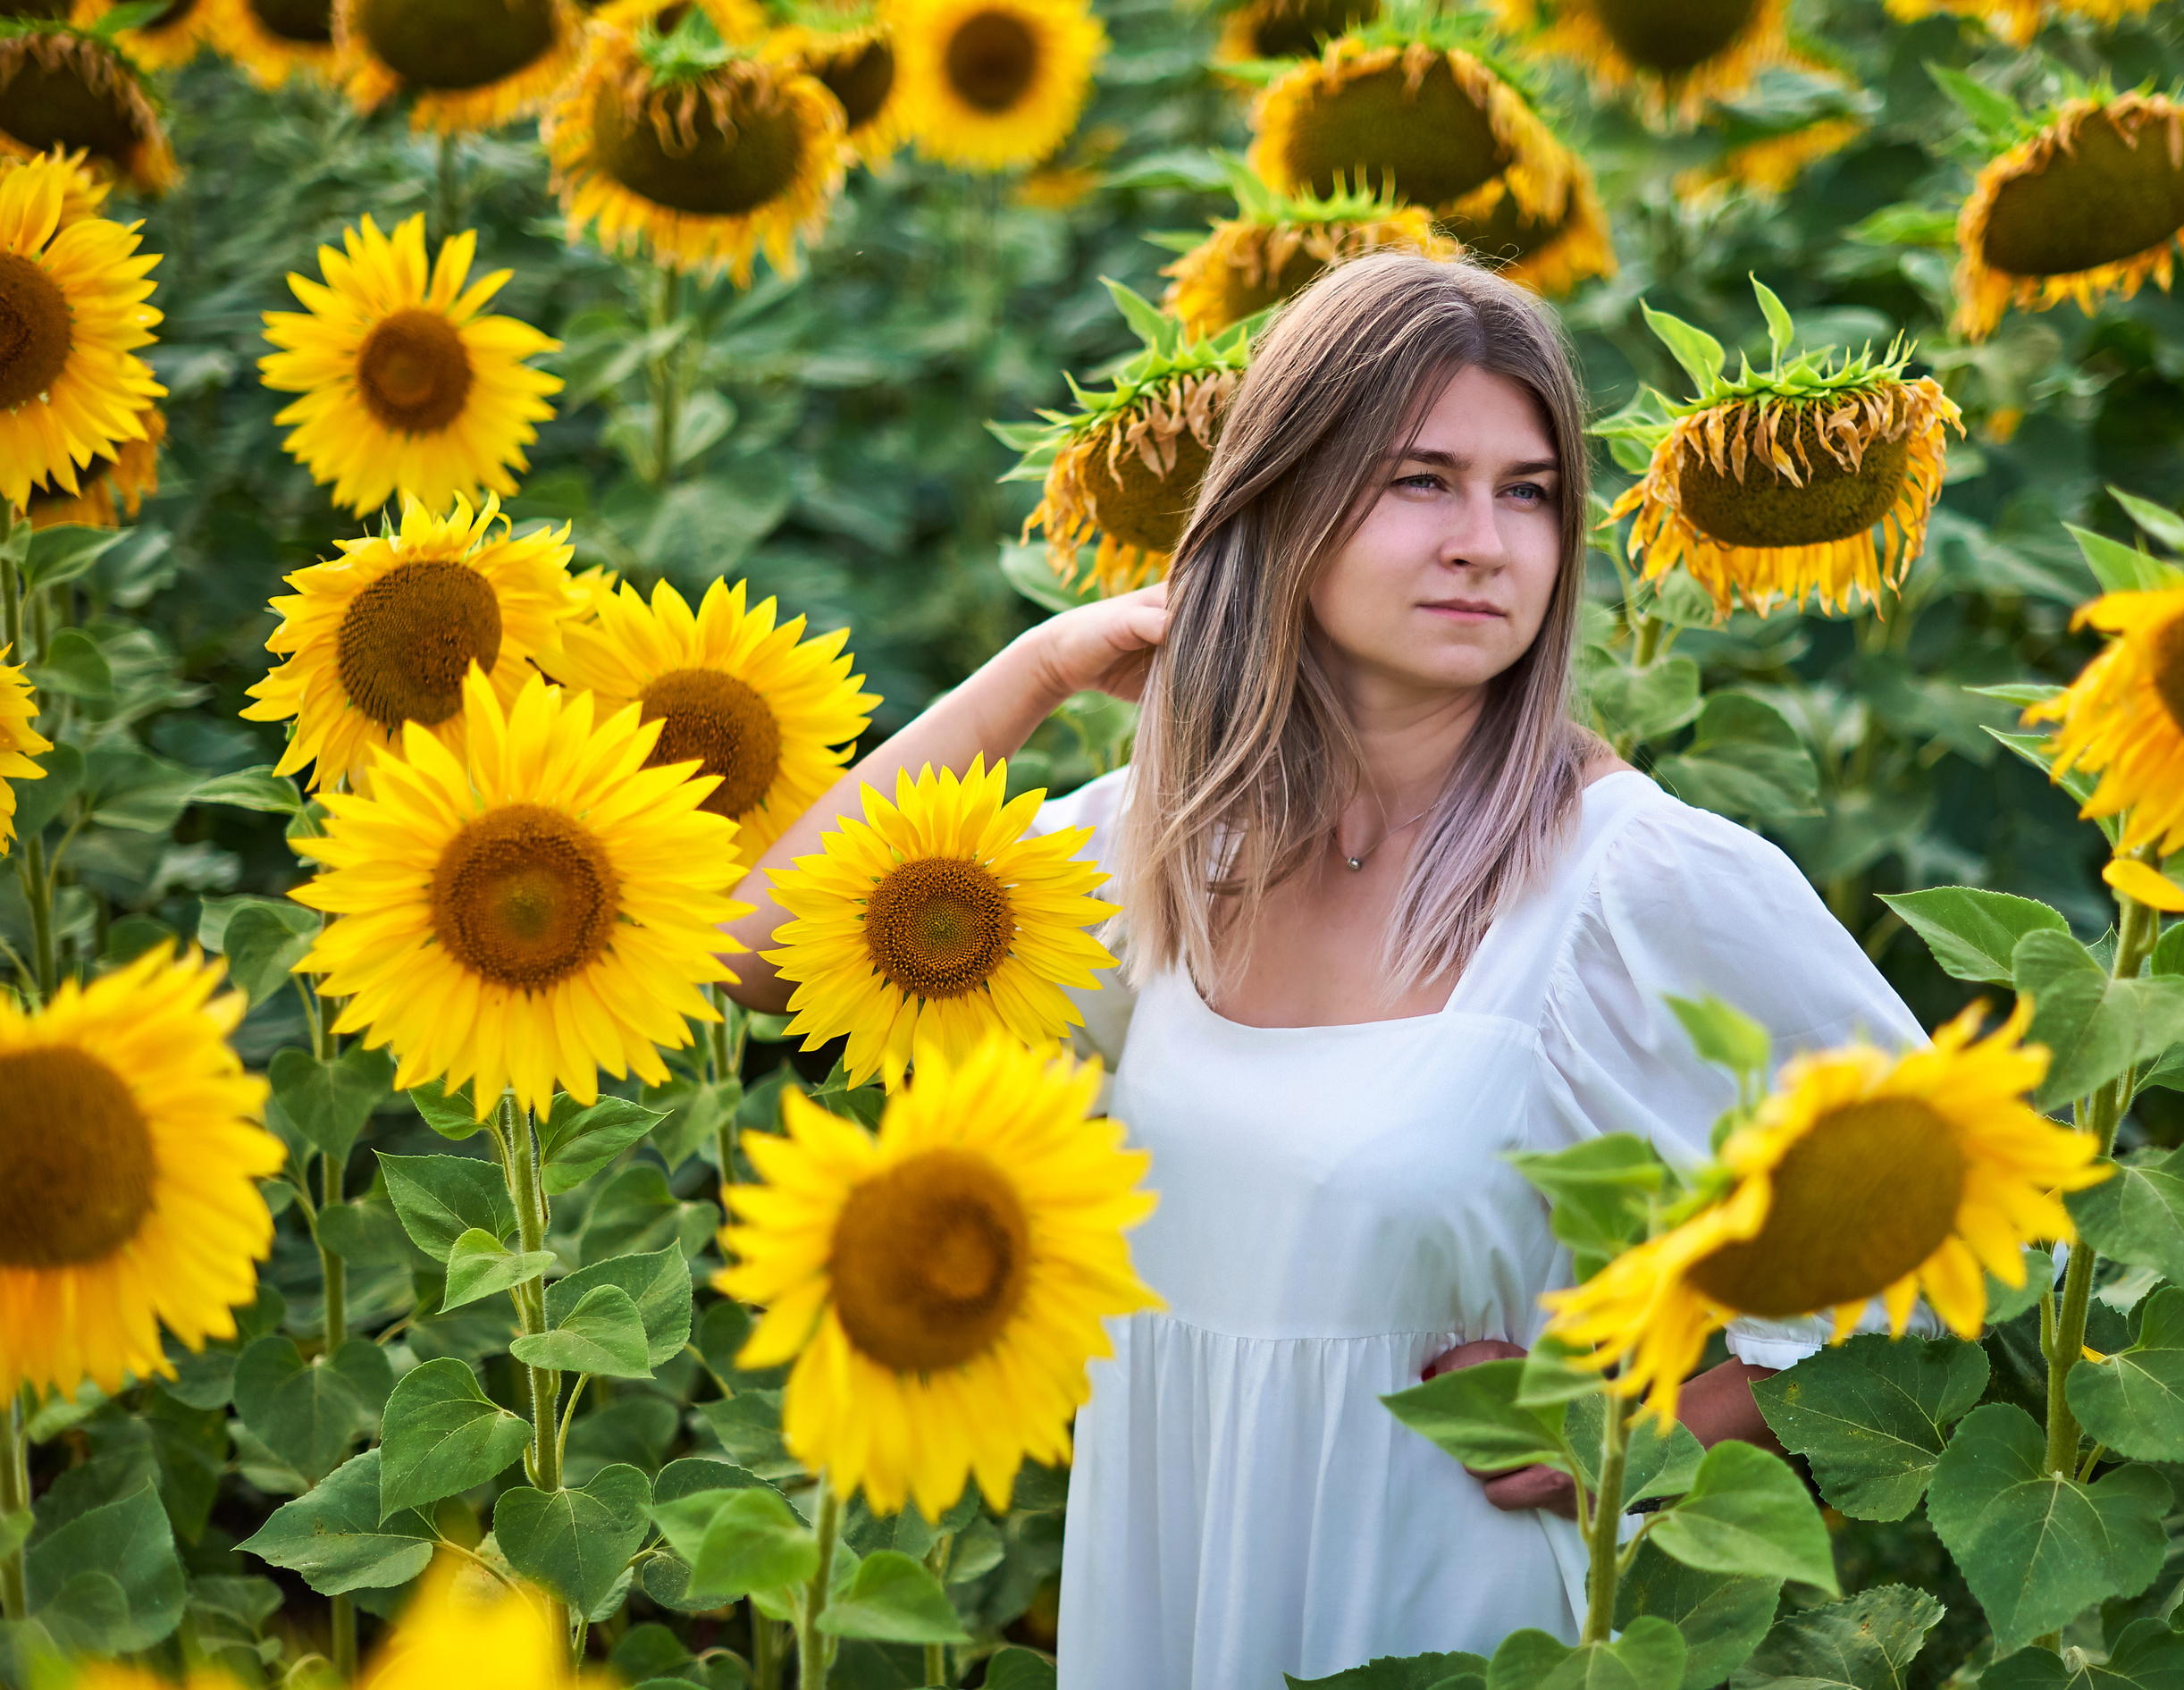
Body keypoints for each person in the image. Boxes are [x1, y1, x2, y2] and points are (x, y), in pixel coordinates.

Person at [718, 253, 1924, 1686]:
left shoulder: (1632, 881)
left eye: (1528, 491)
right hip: (1166, 1584)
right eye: (1421, 480)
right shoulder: (1166, 850)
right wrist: (1038, 669)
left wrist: (1644, 1420)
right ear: (1279, 505)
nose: (1487, 542)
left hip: (1436, 1609)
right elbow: (767, 951)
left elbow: (1952, 1220)